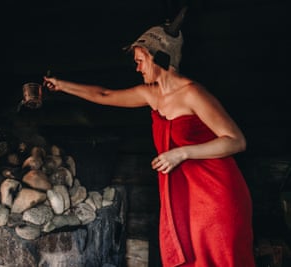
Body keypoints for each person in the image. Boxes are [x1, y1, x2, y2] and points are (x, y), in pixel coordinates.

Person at [43, 7, 255, 267]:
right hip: (184, 198)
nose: (137, 67)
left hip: (215, 196)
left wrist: (183, 152)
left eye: (140, 60)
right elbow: (104, 95)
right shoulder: (150, 94)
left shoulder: (193, 94)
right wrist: (62, 85)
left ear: (159, 58)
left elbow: (235, 140)